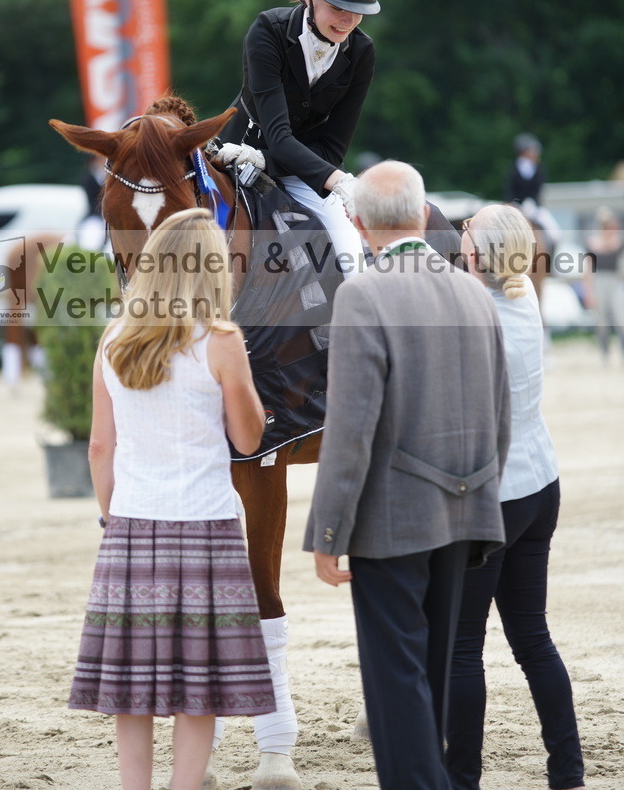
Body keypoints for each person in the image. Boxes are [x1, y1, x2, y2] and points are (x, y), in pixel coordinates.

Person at [303, 161, 510, 790]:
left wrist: (328, 531)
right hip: (467, 506)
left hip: (391, 519)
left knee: (396, 684)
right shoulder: (474, 290)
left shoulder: (363, 294)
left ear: (360, 224)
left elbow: (349, 428)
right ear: (423, 217)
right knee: (430, 675)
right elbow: (499, 415)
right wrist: (479, 492)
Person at [68, 208, 276, 790]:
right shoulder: (222, 341)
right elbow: (248, 438)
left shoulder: (113, 338)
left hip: (133, 522)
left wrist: (113, 516)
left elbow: (98, 448)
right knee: (198, 687)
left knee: (130, 689)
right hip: (204, 523)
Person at [446, 204, 585, 790]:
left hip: (492, 496)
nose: (458, 241)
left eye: (467, 235)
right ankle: (568, 770)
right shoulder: (524, 295)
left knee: (461, 649)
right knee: (532, 637)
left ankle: (463, 779)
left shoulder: (474, 319)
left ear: (479, 254)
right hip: (539, 481)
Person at [216, 0, 380, 276]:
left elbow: (333, 148)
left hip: (304, 173)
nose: (348, 21)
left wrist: (269, 163)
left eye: (357, 12)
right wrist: (340, 182)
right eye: (337, 7)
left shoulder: (362, 53)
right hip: (234, 155)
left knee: (352, 263)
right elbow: (278, 135)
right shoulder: (268, 31)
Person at [583, 206, 624, 362]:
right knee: (602, 320)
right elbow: (588, 269)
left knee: (621, 318)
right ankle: (605, 353)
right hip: (599, 281)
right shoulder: (593, 243)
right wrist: (589, 291)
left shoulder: (619, 242)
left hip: (616, 281)